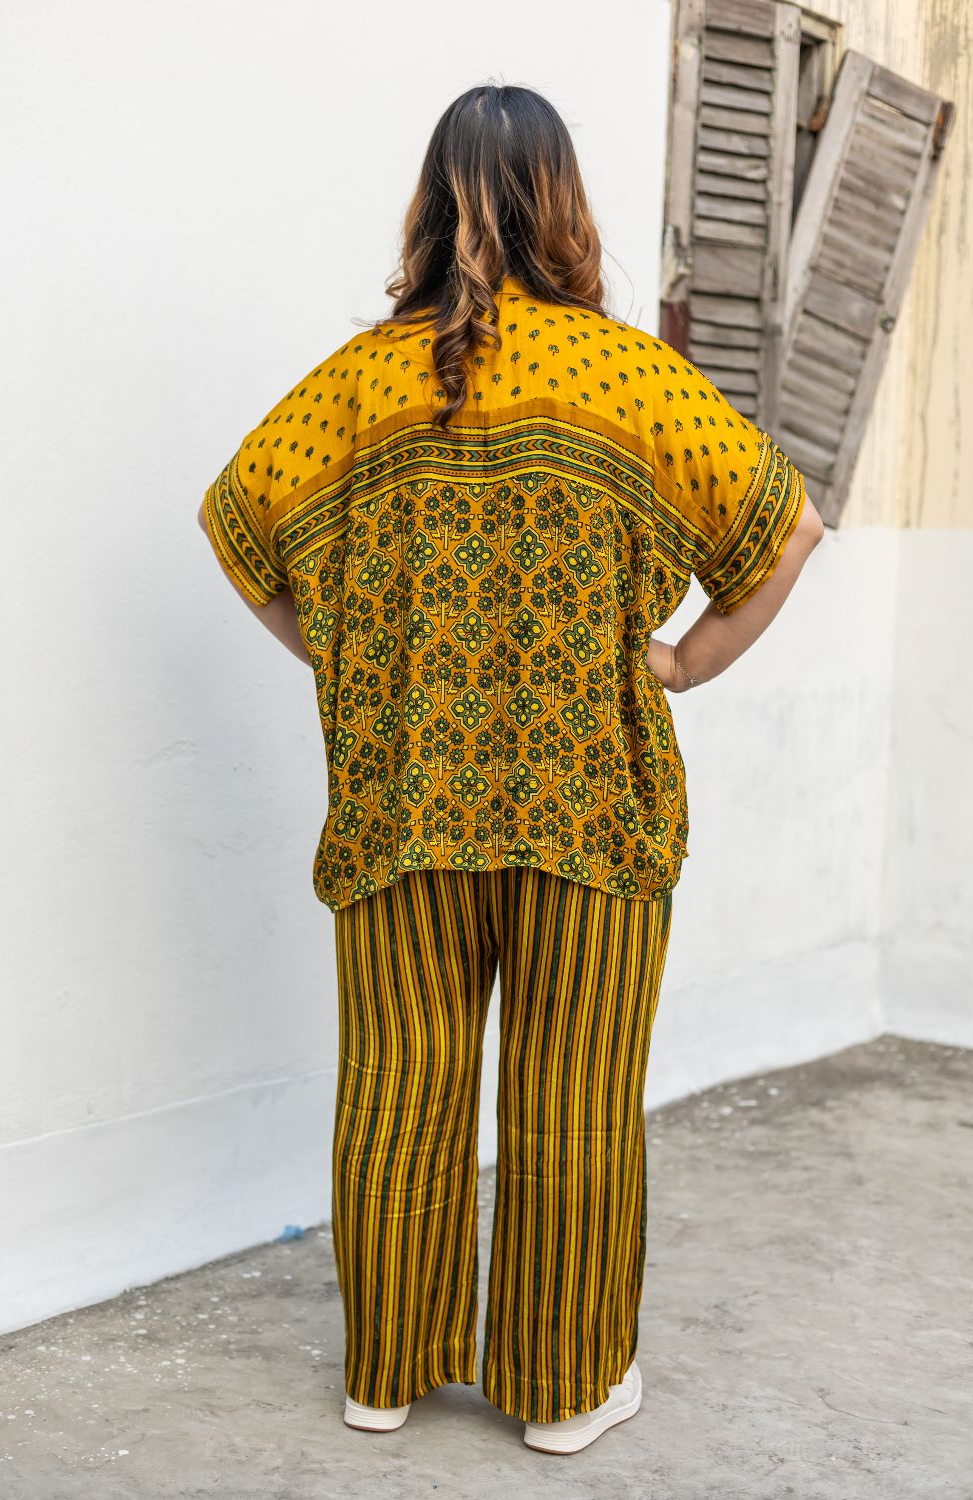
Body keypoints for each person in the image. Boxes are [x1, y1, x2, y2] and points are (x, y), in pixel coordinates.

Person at [197, 83, 825, 1455]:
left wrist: (348, 657)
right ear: (564, 203)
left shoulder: (362, 383)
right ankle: (564, 1389)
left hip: (405, 804)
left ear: (431, 205)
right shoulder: (628, 379)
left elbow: (237, 526)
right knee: (573, 1098)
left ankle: (387, 1373)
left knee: (398, 1088)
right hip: (588, 805)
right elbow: (788, 528)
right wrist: (683, 663)